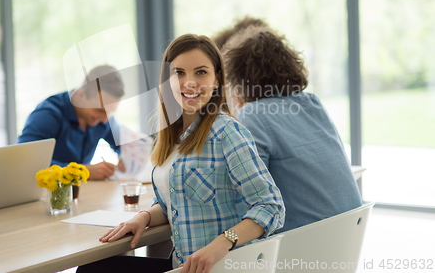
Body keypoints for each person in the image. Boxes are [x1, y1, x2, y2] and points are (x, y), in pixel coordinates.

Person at [78, 34, 285, 273]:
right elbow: (174, 202)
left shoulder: (226, 132)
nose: (189, 82)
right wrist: (144, 217)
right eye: (179, 73)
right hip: (183, 266)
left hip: (224, 267)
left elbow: (271, 206)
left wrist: (222, 242)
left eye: (201, 72)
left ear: (217, 79)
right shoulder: (169, 137)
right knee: (94, 267)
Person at [221, 20, 362, 233]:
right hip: (348, 239)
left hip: (301, 246)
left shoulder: (254, 113)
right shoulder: (312, 103)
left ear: (239, 79)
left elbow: (240, 189)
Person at [17, 65, 125, 180]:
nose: (105, 120)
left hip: (84, 193)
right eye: (99, 110)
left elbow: (124, 145)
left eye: (110, 112)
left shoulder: (103, 118)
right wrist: (81, 171)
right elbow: (24, 161)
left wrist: (125, 158)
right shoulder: (47, 115)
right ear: (81, 95)